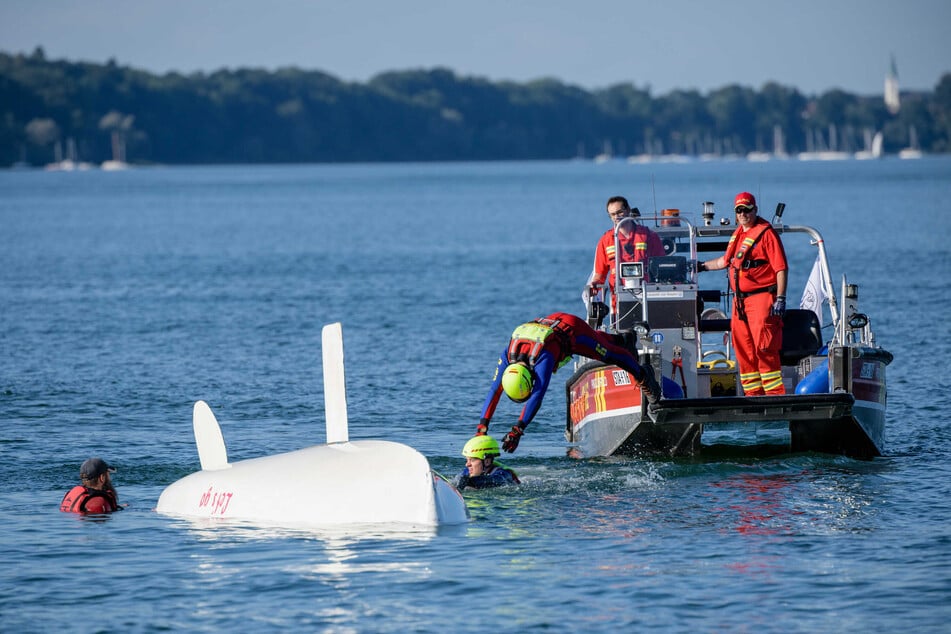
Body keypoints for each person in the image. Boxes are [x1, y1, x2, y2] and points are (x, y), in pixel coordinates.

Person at [476, 311, 662, 452]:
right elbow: (494, 390)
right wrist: (482, 427)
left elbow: (538, 395)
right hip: (553, 321)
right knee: (602, 340)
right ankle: (623, 339)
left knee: (608, 354)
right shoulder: (508, 355)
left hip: (573, 331)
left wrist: (518, 430)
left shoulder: (543, 358)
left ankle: (643, 374)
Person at [697, 192, 788, 395]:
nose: (743, 213)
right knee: (743, 350)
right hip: (740, 303)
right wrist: (700, 266)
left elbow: (781, 268)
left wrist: (780, 298)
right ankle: (752, 395)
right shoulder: (739, 234)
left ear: (755, 210)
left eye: (747, 209)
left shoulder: (766, 234)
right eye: (739, 210)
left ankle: (775, 396)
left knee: (764, 348)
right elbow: (724, 261)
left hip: (762, 298)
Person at [585, 195, 666, 301]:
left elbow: (663, 267)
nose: (616, 217)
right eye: (612, 214)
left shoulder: (648, 236)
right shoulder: (606, 241)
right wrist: (594, 284)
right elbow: (599, 275)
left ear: (628, 210)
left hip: (648, 296)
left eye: (619, 212)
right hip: (618, 300)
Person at [453, 435, 520, 490]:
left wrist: (470, 481)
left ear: (487, 461)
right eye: (467, 460)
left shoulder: (504, 474)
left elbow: (494, 481)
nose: (467, 464)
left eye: (472, 460)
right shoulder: (469, 470)